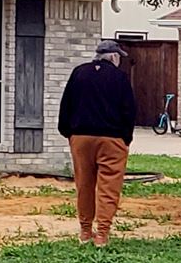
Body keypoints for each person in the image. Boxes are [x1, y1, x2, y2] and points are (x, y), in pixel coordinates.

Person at [57, 38, 138, 246]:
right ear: (113, 56)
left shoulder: (79, 73)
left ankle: (85, 231)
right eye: (119, 57)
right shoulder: (119, 77)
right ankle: (102, 234)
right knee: (109, 186)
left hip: (81, 137)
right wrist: (125, 138)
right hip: (111, 139)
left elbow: (66, 104)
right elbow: (129, 110)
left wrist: (68, 133)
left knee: (84, 184)